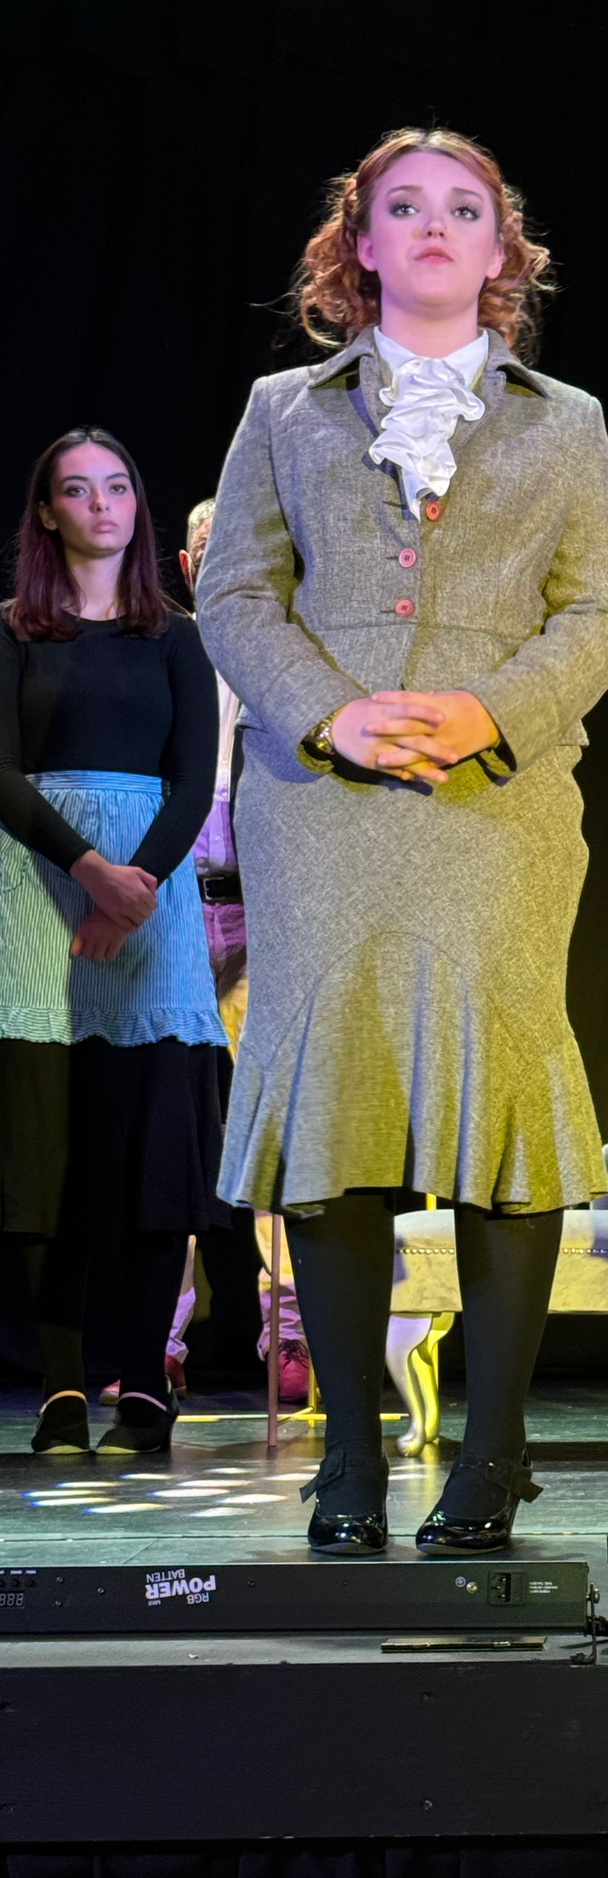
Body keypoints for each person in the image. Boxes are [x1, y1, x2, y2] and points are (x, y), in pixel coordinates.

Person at [198, 127, 608, 1555]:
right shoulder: (287, 410)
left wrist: (479, 710)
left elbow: (601, 611)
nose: (437, 226)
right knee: (341, 1114)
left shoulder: (563, 421)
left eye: (467, 209)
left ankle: (493, 1456)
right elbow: (240, 593)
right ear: (361, 244)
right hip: (323, 811)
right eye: (406, 207)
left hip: (498, 807)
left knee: (501, 1115)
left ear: (503, 252)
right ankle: (347, 1462)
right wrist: (332, 716)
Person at [0, 428, 224, 1453]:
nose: (102, 504)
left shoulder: (174, 637)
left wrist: (130, 890)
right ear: (47, 513)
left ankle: (141, 1385)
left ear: (138, 506)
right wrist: (87, 873)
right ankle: (59, 1384)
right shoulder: (14, 632)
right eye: (77, 491)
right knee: (51, 1150)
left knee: (146, 1152)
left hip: (152, 900)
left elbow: (191, 777)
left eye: (118, 486)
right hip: (39, 892)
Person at [180, 499, 309, 1403]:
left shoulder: (291, 659)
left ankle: (292, 1331)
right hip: (175, 912)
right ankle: (158, 1334)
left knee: (283, 1125)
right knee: (168, 1127)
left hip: (270, 915)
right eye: (209, 553)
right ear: (190, 570)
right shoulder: (164, 654)